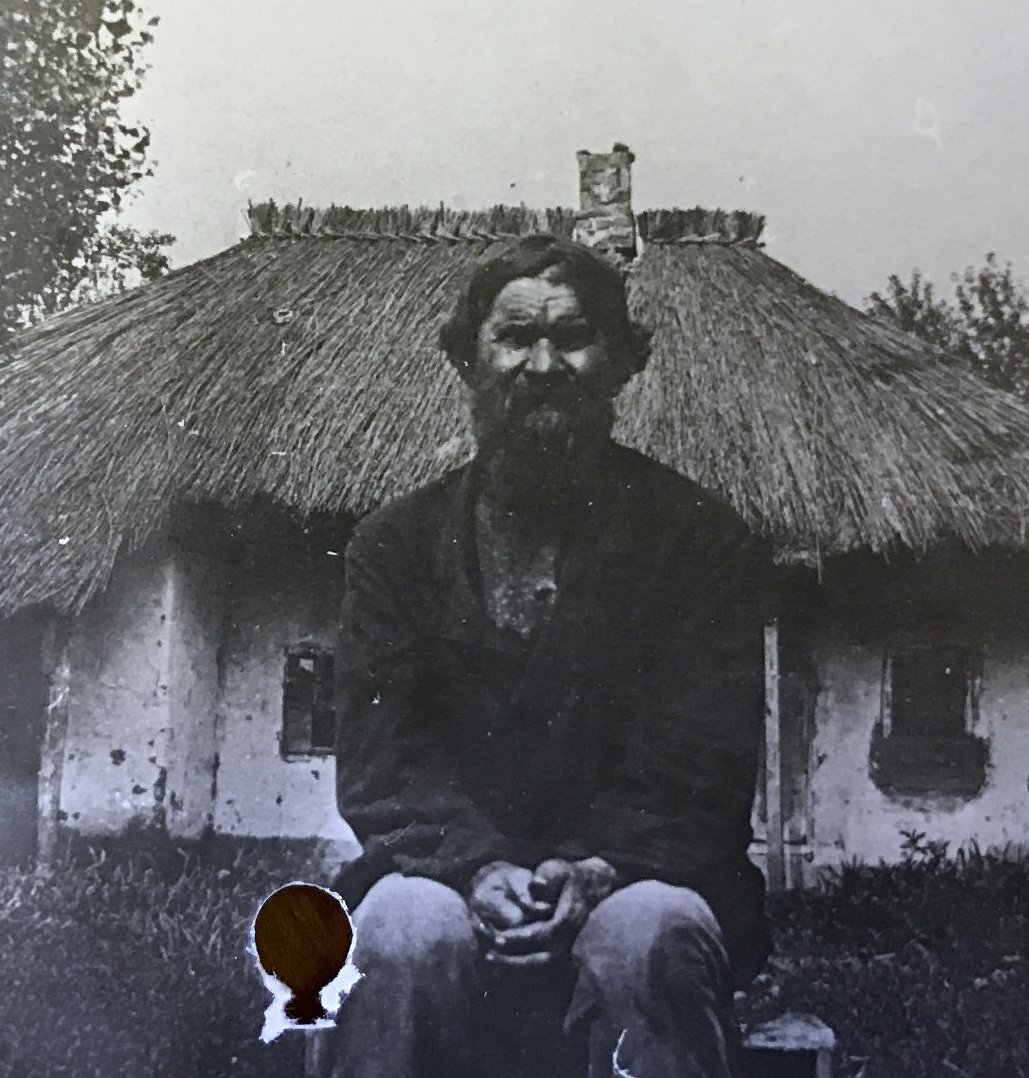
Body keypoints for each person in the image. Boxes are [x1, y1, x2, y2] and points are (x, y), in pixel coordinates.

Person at [318, 234, 783, 1078]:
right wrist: (477, 867)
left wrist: (598, 869)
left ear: (621, 362)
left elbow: (702, 765)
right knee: (400, 933)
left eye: (571, 337)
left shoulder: (699, 541)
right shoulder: (394, 546)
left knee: (647, 936)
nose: (542, 365)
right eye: (514, 337)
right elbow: (384, 763)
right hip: (447, 875)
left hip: (638, 875)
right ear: (468, 358)